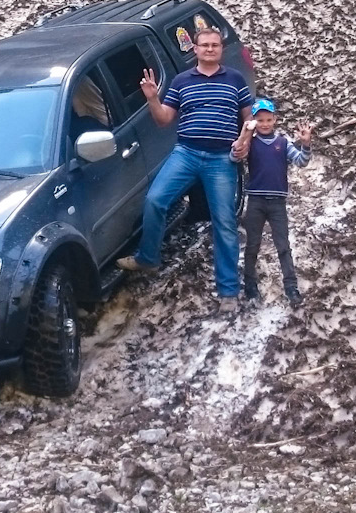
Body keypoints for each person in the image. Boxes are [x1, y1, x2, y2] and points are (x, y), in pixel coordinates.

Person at [117, 27, 253, 309]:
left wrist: (245, 143)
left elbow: (249, 119)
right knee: (155, 201)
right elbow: (164, 120)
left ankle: (228, 292)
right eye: (205, 45)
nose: (210, 49)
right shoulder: (181, 81)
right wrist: (153, 98)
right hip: (186, 153)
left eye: (215, 45)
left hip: (221, 159)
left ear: (220, 49)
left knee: (225, 223)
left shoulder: (235, 80)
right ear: (195, 49)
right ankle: (148, 258)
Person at [233, 99, 313, 306]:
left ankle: (291, 287)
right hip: (256, 201)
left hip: (278, 202)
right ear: (253, 121)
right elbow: (234, 157)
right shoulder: (251, 142)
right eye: (260, 120)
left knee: (283, 245)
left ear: (275, 119)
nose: (265, 124)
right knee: (253, 244)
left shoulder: (283, 143)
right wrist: (245, 135)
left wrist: (306, 144)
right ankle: (250, 284)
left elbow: (301, 162)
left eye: (269, 119)